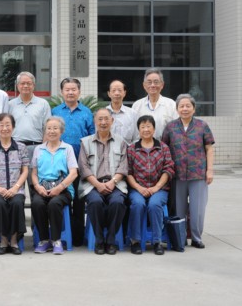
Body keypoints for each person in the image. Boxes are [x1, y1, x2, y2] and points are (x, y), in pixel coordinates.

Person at [162, 94, 215, 249]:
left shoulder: (202, 126)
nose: (184, 109)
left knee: (197, 209)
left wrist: (210, 170)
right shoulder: (170, 127)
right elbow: (164, 149)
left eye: (188, 106)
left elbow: (209, 149)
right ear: (177, 109)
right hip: (177, 175)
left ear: (194, 108)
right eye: (181, 106)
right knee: (179, 209)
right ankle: (181, 237)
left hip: (198, 174)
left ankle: (196, 238)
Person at [78, 108, 128, 255]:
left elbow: (124, 166)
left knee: (117, 202)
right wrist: (98, 184)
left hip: (116, 184)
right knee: (95, 202)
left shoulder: (121, 141)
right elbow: (83, 167)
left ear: (112, 121)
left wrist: (112, 182)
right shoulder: (86, 142)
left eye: (106, 119)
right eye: (100, 119)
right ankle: (99, 240)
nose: (103, 122)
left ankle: (111, 240)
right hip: (93, 185)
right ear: (95, 121)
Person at [51, 77, 95, 246]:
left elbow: (92, 136)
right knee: (62, 198)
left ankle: (77, 236)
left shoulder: (86, 112)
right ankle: (61, 233)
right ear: (62, 92)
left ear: (79, 91)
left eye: (73, 89)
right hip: (59, 163)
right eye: (67, 89)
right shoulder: (55, 111)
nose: (70, 92)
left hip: (80, 162)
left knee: (78, 199)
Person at [127, 115, 175, 255]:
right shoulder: (132, 149)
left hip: (159, 189)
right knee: (137, 204)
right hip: (137, 188)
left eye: (149, 126)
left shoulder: (163, 148)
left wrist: (156, 188)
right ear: (138, 130)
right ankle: (135, 241)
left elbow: (168, 169)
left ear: (154, 129)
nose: (146, 129)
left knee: (154, 204)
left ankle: (157, 242)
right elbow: (128, 172)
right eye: (142, 127)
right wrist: (139, 188)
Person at [0, 113, 29, 255]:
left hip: (16, 189)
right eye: (1, 125)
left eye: (8, 125)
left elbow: (25, 171)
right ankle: (3, 241)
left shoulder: (21, 147)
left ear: (13, 127)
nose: (5, 128)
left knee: (17, 203)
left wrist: (15, 188)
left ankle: (13, 241)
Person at [30, 116, 78, 255]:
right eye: (49, 128)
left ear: (61, 131)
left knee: (54, 204)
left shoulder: (67, 148)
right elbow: (34, 173)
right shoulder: (38, 149)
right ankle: (44, 240)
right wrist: (37, 186)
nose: (51, 131)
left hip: (63, 189)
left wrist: (60, 188)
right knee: (37, 203)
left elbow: (73, 173)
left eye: (55, 128)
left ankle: (57, 240)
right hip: (42, 187)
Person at [7, 71, 51, 156]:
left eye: (29, 83)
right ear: (17, 86)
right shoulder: (10, 104)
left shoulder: (43, 104)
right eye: (22, 83)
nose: (25, 86)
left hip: (36, 147)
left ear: (33, 85)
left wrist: (43, 149)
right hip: (15, 147)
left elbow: (47, 128)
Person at [132, 68, 179, 139]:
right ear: (144, 85)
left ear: (162, 85)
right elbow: (134, 132)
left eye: (156, 82)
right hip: (142, 145)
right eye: (149, 82)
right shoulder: (137, 105)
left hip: (165, 145)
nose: (152, 85)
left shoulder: (171, 105)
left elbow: (176, 130)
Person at [106, 79, 138, 145]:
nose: (117, 93)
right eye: (114, 90)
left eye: (119, 90)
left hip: (127, 151)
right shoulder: (103, 113)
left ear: (124, 93)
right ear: (109, 94)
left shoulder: (132, 114)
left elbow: (136, 138)